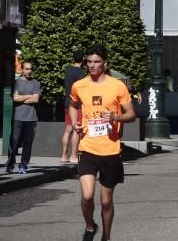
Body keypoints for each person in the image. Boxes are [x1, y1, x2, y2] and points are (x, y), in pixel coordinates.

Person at [69, 45, 137, 241]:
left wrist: (115, 116)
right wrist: (75, 124)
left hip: (110, 150)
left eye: (96, 62)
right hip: (87, 147)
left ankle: (106, 236)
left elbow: (131, 114)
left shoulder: (117, 86)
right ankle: (90, 226)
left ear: (105, 63)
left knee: (106, 201)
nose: (92, 65)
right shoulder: (79, 85)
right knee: (87, 196)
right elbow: (73, 106)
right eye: (89, 62)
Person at [6, 59, 41, 174]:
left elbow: (36, 99)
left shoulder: (36, 83)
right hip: (18, 117)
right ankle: (10, 163)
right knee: (14, 142)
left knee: (28, 143)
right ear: (22, 69)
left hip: (31, 118)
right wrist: (29, 96)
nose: (29, 71)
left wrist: (22, 98)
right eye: (26, 69)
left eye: (30, 69)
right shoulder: (17, 82)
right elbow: (15, 98)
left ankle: (23, 165)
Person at [61, 52, 86, 164]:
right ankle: (74, 156)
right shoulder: (81, 72)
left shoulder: (68, 70)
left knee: (68, 130)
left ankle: (63, 156)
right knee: (77, 129)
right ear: (83, 59)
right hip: (77, 104)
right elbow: (81, 89)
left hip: (67, 101)